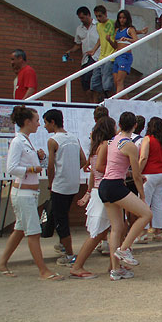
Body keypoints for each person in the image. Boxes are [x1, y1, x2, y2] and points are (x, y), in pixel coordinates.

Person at [0, 106, 62, 280]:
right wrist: (32, 168)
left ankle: (1, 264)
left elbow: (39, 165)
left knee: (20, 230)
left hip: (28, 193)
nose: (39, 124)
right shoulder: (18, 142)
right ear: (27, 122)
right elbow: (11, 168)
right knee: (33, 232)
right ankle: (43, 270)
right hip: (23, 193)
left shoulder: (25, 140)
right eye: (36, 121)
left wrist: (40, 158)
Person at [96, 112, 153, 280]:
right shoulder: (130, 145)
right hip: (115, 185)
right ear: (135, 126)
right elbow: (136, 175)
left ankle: (116, 269)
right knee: (146, 214)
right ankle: (125, 249)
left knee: (117, 228)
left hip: (105, 185)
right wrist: (142, 195)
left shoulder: (112, 140)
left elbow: (116, 166)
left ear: (119, 124)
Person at [70, 116, 116, 278]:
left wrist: (88, 192)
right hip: (104, 192)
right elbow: (101, 169)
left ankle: (114, 264)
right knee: (98, 232)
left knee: (113, 229)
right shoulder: (106, 146)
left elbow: (92, 173)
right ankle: (78, 266)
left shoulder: (95, 147)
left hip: (98, 190)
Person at [43, 109, 87, 266]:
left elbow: (50, 166)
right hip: (73, 184)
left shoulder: (53, 141)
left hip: (60, 184)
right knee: (62, 214)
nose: (44, 126)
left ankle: (69, 254)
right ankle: (63, 244)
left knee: (61, 219)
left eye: (46, 122)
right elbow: (83, 160)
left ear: (52, 122)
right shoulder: (74, 138)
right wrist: (72, 169)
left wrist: (50, 182)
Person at [138, 117, 162, 241]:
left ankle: (143, 232)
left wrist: (137, 172)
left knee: (144, 202)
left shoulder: (147, 139)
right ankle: (158, 231)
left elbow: (143, 158)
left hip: (149, 174)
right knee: (158, 202)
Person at [65, 7, 100, 102]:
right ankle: (90, 103)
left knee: (93, 81)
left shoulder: (98, 25)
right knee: (85, 82)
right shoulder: (79, 29)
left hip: (97, 57)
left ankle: (95, 103)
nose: (82, 20)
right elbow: (78, 44)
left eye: (83, 17)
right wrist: (70, 51)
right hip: (85, 59)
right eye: (80, 18)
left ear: (88, 15)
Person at [106, 9, 139, 95]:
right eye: (120, 18)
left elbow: (136, 40)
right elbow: (116, 46)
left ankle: (117, 101)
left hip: (125, 56)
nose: (122, 20)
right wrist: (109, 40)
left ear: (127, 19)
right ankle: (125, 101)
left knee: (119, 80)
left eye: (124, 18)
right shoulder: (117, 30)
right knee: (116, 82)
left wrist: (127, 39)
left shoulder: (130, 29)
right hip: (117, 56)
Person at [89, 5, 115, 98]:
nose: (98, 18)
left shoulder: (112, 23)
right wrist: (94, 50)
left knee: (107, 85)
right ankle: (96, 105)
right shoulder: (98, 26)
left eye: (100, 16)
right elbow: (100, 38)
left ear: (105, 14)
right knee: (94, 84)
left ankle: (110, 101)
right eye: (96, 16)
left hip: (110, 57)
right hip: (101, 57)